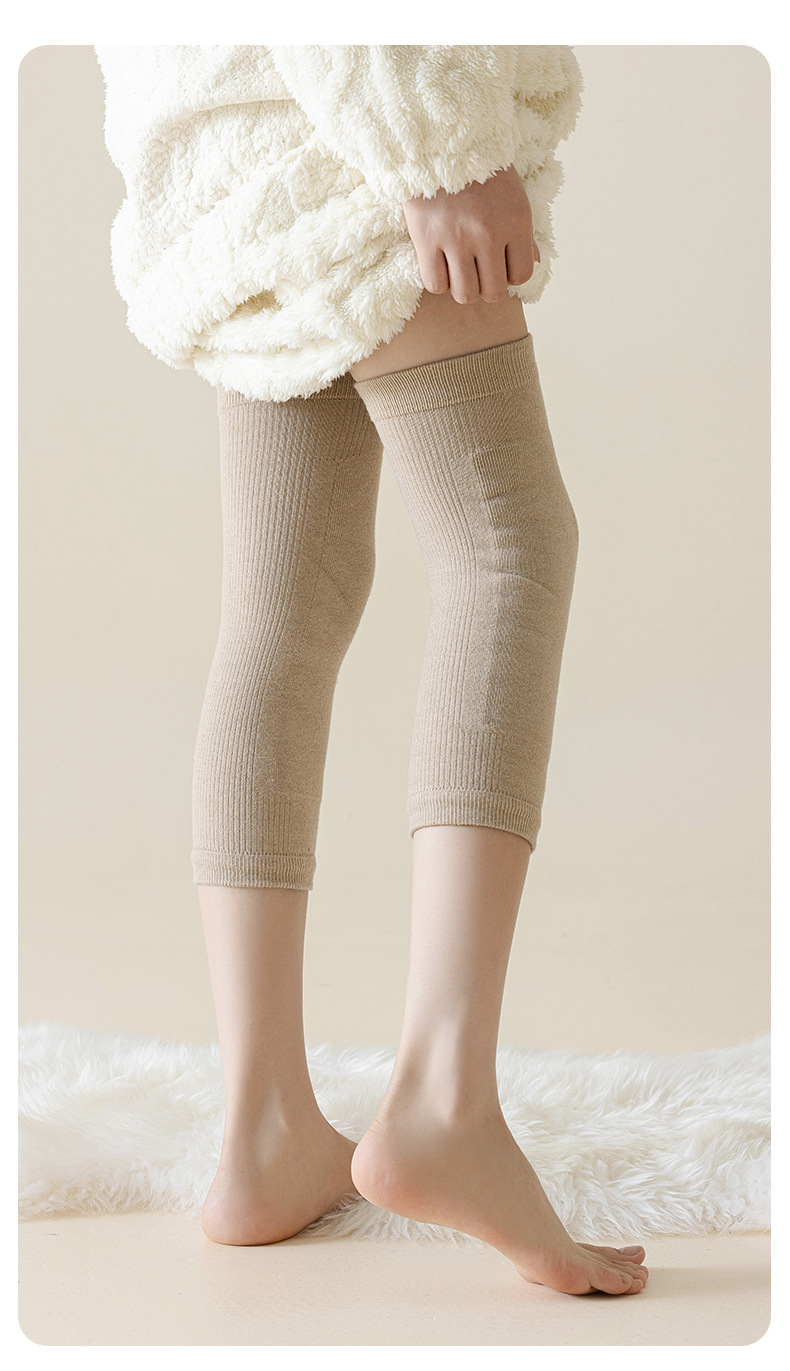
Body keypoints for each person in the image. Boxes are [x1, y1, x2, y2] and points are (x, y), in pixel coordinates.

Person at [96, 44, 648, 1296]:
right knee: (509, 545)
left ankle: (264, 1130)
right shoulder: (405, 139)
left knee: (285, 608)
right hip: (352, 139)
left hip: (225, 144)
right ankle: (443, 1100)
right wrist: (437, 148)